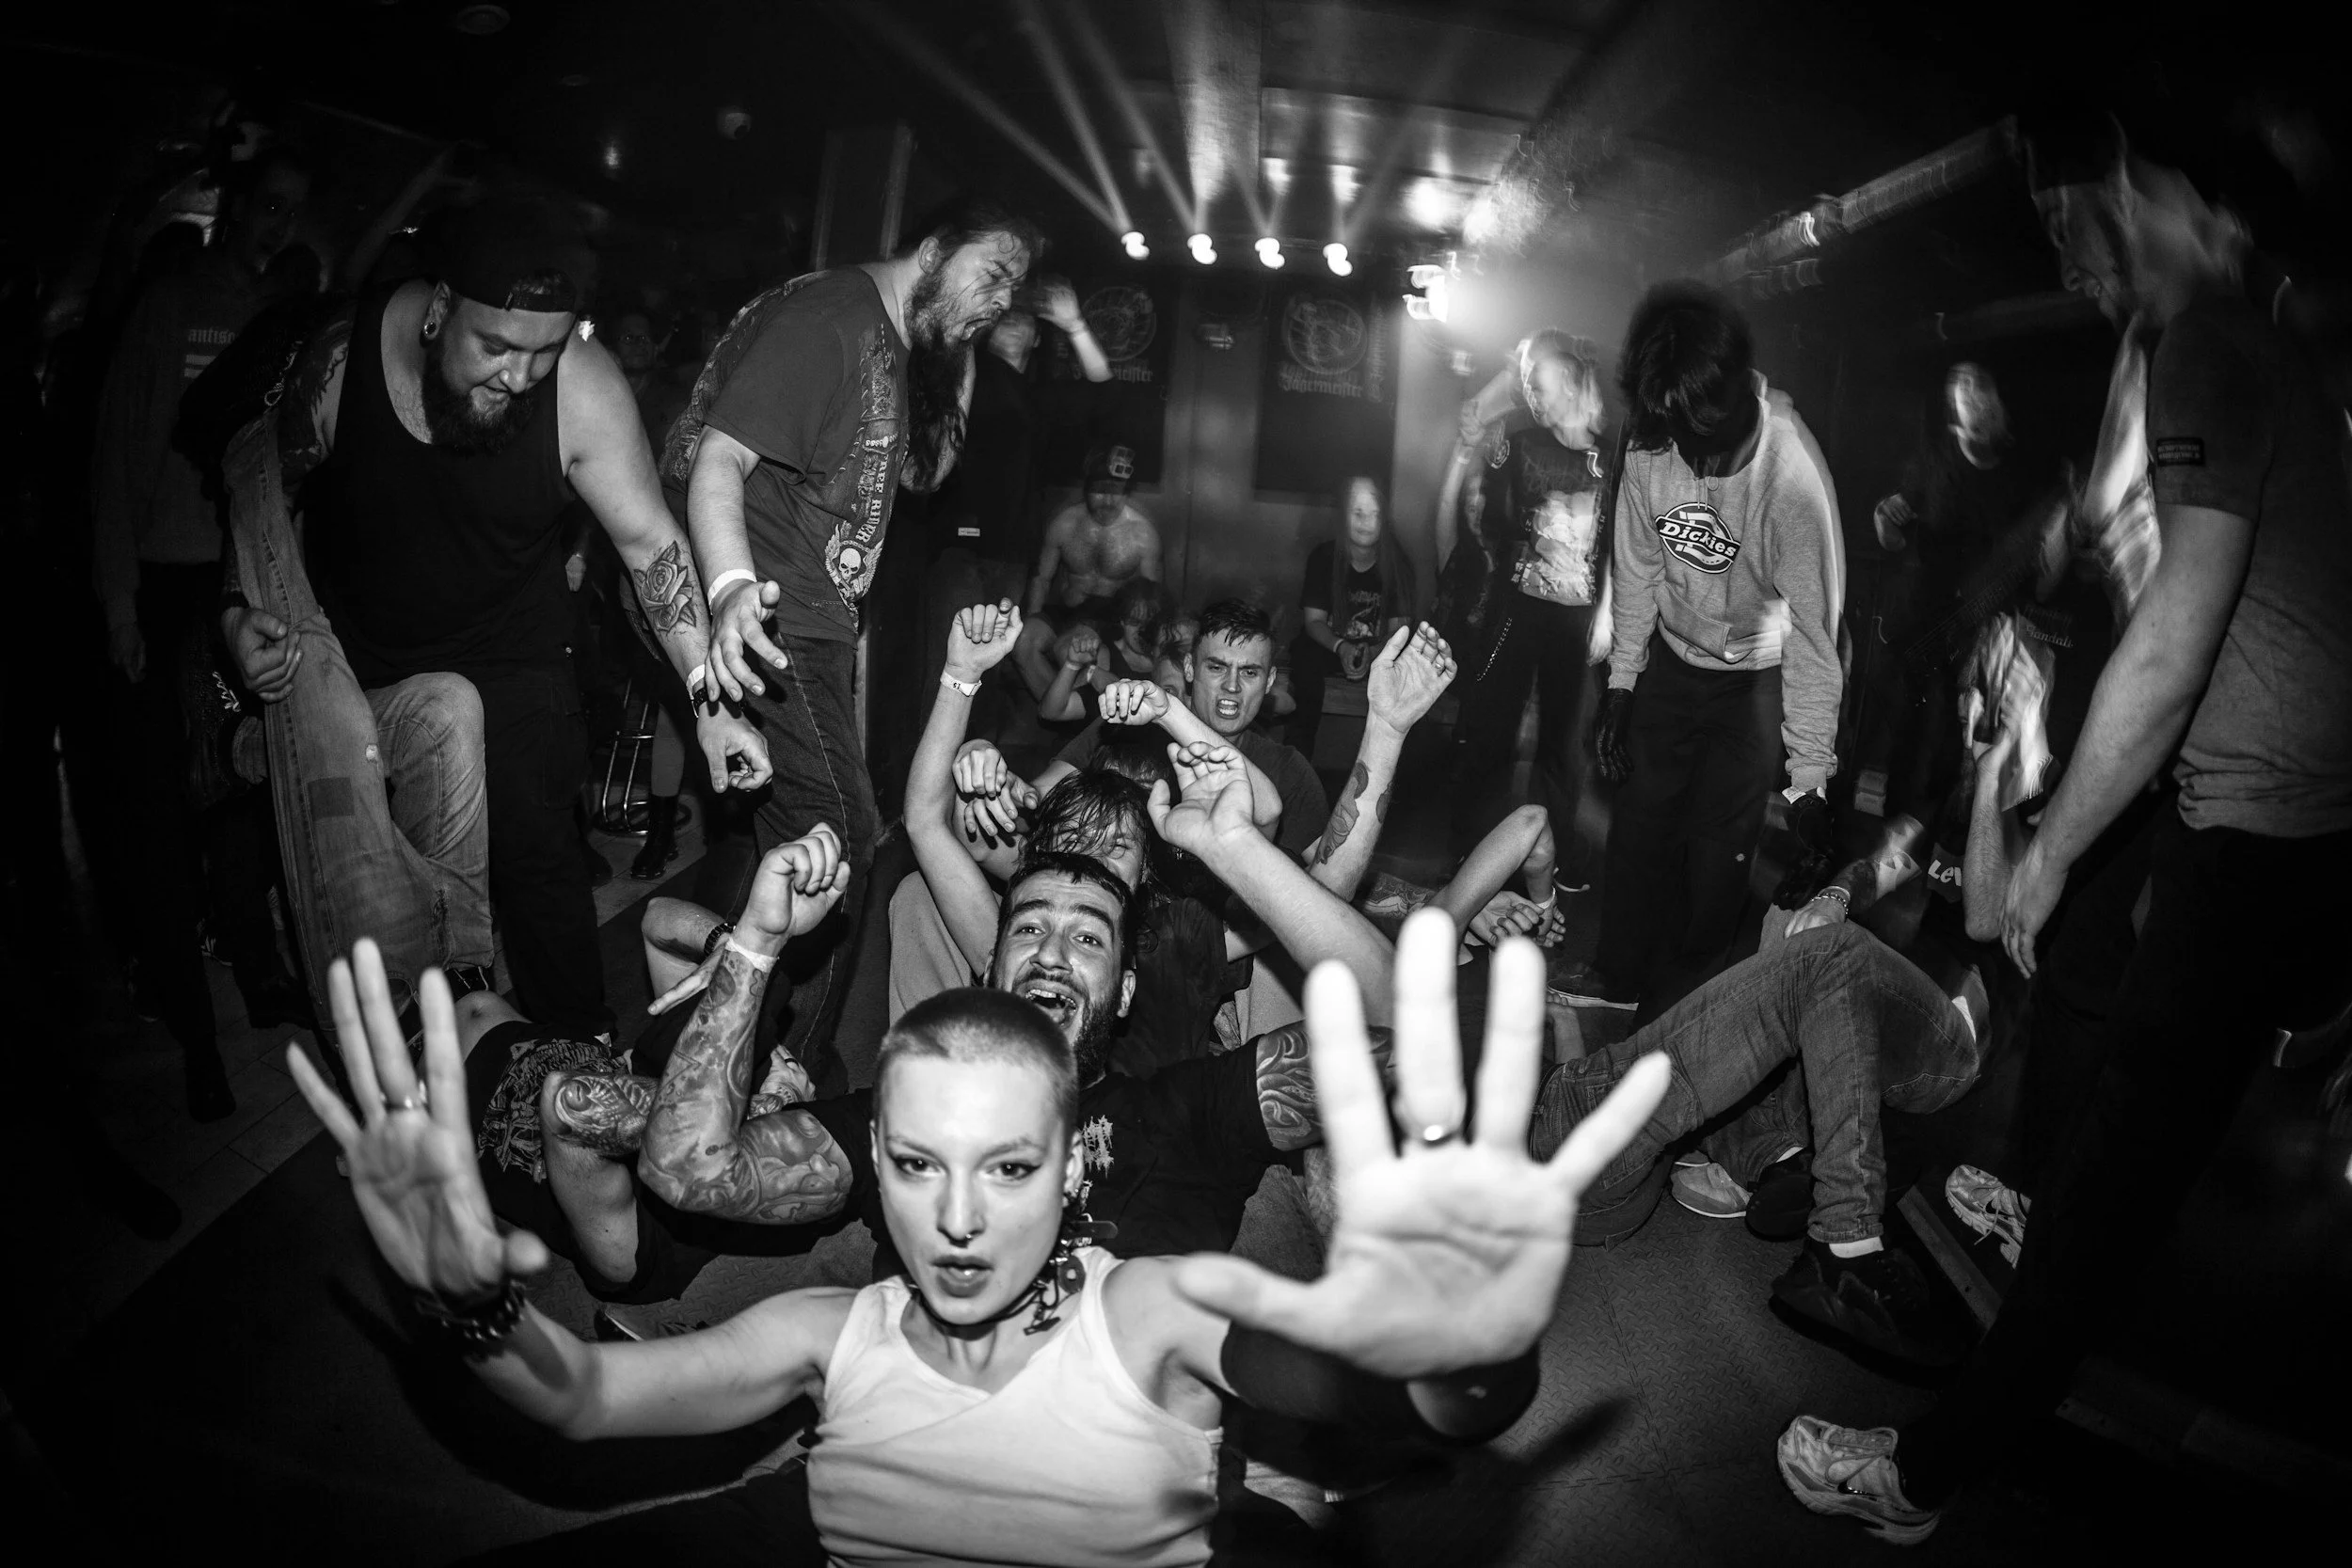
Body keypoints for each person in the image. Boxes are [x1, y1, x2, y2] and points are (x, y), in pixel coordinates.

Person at [291, 907, 1667, 1566]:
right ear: (871, 1165)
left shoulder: (1159, 1313)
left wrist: (1476, 1351)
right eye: (915, 1164)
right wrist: (469, 1306)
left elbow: (1402, 1390)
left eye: (1009, 1166)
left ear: (1076, 1166)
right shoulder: (826, 1335)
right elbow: (585, 1396)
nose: (956, 1218)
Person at [1781, 111, 2352, 1544]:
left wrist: (2050, 843)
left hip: (2258, 843)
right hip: (2281, 832)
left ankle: (1922, 1473)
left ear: (2192, 209)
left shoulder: (2209, 339)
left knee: (2111, 1184)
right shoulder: (2250, 353)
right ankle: (2048, 1221)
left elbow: (2178, 628)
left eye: (2115, 200)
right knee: (2108, 1092)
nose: (2090, 231)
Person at [223, 191, 770, 1041]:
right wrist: (238, 613)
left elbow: (650, 545)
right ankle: (410, 1078)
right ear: (440, 309)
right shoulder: (341, 364)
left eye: (543, 352)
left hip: (513, 657)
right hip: (362, 662)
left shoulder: (582, 389)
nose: (518, 377)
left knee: (540, 859)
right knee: (369, 900)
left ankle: (578, 1062)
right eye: (497, 347)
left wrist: (709, 701)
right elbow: (265, 496)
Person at [667, 196, 1043, 1080]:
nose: (1001, 300)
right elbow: (718, 459)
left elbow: (927, 472)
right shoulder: (833, 317)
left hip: (816, 628)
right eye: (991, 274)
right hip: (769, 617)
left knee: (786, 847)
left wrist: (962, 345)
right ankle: (791, 1069)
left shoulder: (900, 344)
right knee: (842, 831)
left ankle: (716, 1034)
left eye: (1013, 290)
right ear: (934, 247)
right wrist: (729, 598)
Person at [91, 147, 315, 1117]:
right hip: (166, 579)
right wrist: (116, 602)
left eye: (291, 211)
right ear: (234, 206)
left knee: (240, 774)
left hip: (240, 575)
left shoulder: (282, 312)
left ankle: (258, 965)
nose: (276, 224)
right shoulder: (169, 302)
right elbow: (113, 457)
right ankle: (172, 992)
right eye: (267, 203)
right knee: (165, 799)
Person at [1554, 285, 1844, 1017]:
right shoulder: (1653, 439)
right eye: (1675, 438)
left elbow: (1815, 638)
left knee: (1720, 855)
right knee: (1641, 826)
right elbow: (1640, 566)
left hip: (1754, 674)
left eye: (1700, 442)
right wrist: (1623, 683)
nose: (1690, 459)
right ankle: (1618, 976)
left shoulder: (1792, 482)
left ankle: (1688, 1001)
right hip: (1673, 664)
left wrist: (1811, 784)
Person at [1433, 331, 1614, 868]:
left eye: (1540, 377)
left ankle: (1553, 863)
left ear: (1572, 378)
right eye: (1527, 380)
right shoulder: (1515, 439)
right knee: (1490, 731)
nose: (1531, 388)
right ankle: (1468, 861)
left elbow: (1618, 547)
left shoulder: (1611, 453)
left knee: (1563, 746)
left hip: (1578, 619)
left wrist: (1605, 616)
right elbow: (1482, 519)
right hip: (1516, 610)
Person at [923, 277, 1113, 736]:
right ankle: (928, 771)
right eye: (1003, 315)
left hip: (1012, 549)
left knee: (992, 663)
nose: (1011, 322)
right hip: (960, 545)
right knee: (950, 662)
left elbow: (1102, 389)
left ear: (1037, 336)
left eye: (1022, 318)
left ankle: (978, 766)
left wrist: (1074, 323)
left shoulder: (1038, 394)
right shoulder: (971, 371)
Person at [1037, 599, 1328, 859]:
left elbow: (1329, 875)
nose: (1232, 686)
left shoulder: (1287, 769)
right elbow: (1042, 792)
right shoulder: (1126, 728)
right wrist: (1000, 783)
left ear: (1269, 681)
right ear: (1190, 668)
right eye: (1216, 667)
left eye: (1250, 672)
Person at [1014, 440, 1163, 699]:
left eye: (1116, 491)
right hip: (1066, 609)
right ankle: (1055, 712)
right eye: (1099, 491)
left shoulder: (1143, 535)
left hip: (1111, 616)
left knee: (1071, 649)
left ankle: (1067, 715)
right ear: (1086, 490)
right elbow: (1041, 579)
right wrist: (1034, 616)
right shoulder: (1065, 524)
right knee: (1023, 641)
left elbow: (1152, 596)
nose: (1107, 500)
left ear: (1127, 492)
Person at [1291, 475, 1417, 759]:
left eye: (1374, 514)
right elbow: (1313, 622)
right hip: (1330, 648)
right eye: (1357, 512)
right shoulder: (1323, 557)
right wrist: (1342, 647)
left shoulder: (1398, 565)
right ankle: (1296, 765)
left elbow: (1401, 631)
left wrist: (1373, 654)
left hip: (1380, 652)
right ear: (1343, 515)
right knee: (1304, 659)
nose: (1365, 521)